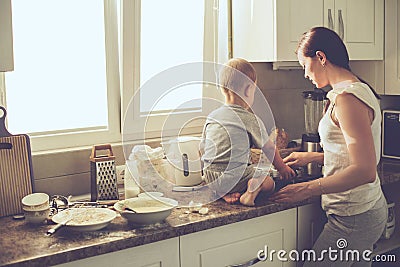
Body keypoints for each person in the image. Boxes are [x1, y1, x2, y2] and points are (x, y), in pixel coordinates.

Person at [269, 27, 387, 266]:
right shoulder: (357, 89)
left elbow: (365, 170)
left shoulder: (347, 100)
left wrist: (306, 189)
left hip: (354, 217)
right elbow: (353, 154)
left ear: (321, 57)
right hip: (364, 210)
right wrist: (311, 158)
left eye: (305, 65)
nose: (304, 74)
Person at [201, 58, 296, 206]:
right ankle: (252, 190)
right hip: (236, 177)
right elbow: (269, 148)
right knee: (268, 180)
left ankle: (223, 193)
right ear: (248, 89)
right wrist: (282, 168)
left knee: (225, 176)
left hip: (210, 178)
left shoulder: (212, 116)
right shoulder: (250, 119)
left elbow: (202, 150)